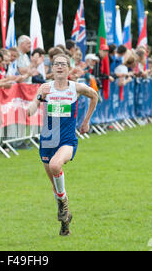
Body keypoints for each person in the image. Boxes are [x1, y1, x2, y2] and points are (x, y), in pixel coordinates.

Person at [26, 54, 98, 236]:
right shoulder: (46, 87)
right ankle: (65, 218)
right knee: (56, 186)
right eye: (56, 64)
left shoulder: (76, 88)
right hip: (48, 141)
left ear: (69, 68)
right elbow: (30, 111)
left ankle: (62, 204)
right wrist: (37, 99)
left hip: (67, 140)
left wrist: (86, 121)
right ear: (52, 68)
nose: (59, 67)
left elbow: (94, 96)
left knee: (55, 165)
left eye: (63, 64)